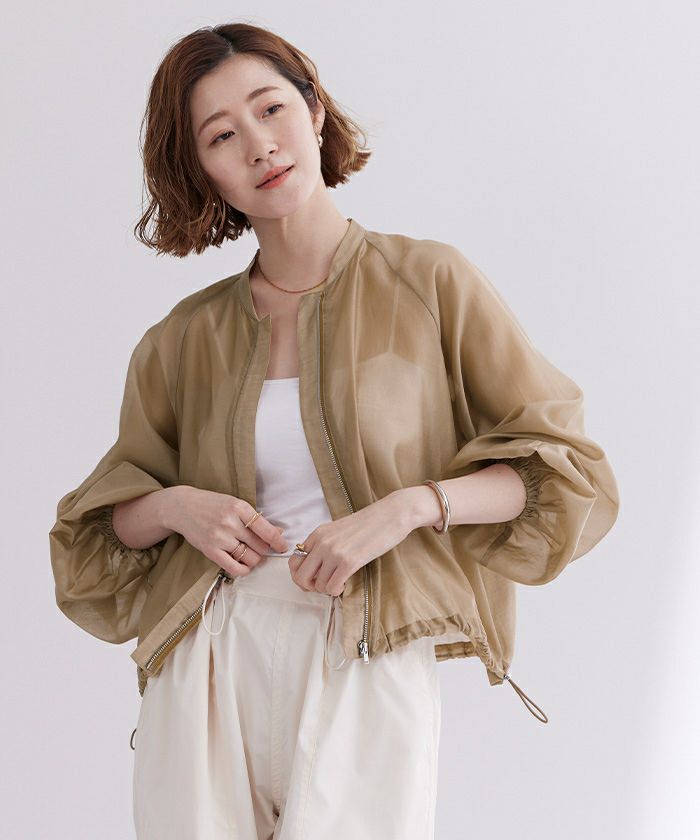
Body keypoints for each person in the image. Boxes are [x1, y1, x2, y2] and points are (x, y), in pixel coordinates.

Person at [48, 21, 620, 840]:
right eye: (221, 136)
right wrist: (177, 507)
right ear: (202, 169)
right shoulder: (182, 338)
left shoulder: (430, 282)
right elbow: (98, 532)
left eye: (271, 108)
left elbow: (559, 471)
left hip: (368, 651)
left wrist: (409, 508)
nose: (258, 145)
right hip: (209, 652)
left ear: (314, 111)